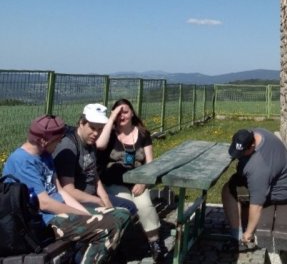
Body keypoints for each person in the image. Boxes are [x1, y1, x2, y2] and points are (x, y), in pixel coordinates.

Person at [2, 114, 131, 264]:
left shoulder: (45, 155)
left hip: (62, 212)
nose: (59, 143)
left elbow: (61, 191)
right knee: (109, 226)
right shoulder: (22, 161)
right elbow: (44, 203)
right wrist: (81, 214)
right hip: (46, 220)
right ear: (44, 141)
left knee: (122, 214)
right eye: (57, 140)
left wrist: (85, 213)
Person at [96, 98, 165, 263]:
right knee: (126, 207)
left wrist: (143, 182)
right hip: (114, 183)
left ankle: (154, 243)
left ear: (132, 113)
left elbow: (150, 163)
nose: (122, 116)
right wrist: (111, 119)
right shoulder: (109, 134)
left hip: (138, 182)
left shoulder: (143, 134)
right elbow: (99, 145)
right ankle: (119, 245)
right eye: (118, 113)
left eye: (125, 112)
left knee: (145, 205)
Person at [221, 128, 287, 251]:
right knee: (234, 183)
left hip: (280, 192)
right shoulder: (256, 133)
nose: (239, 156)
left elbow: (257, 204)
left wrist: (248, 234)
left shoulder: (259, 167)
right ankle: (240, 220)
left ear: (252, 146)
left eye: (242, 153)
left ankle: (238, 238)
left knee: (228, 191)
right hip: (284, 180)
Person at [53, 103, 135, 214]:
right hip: (78, 201)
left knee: (130, 207)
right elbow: (68, 190)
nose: (96, 133)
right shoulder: (69, 146)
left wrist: (105, 198)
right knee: (119, 215)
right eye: (92, 128)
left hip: (92, 195)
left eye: (100, 129)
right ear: (82, 123)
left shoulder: (90, 142)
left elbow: (93, 173)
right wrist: (97, 200)